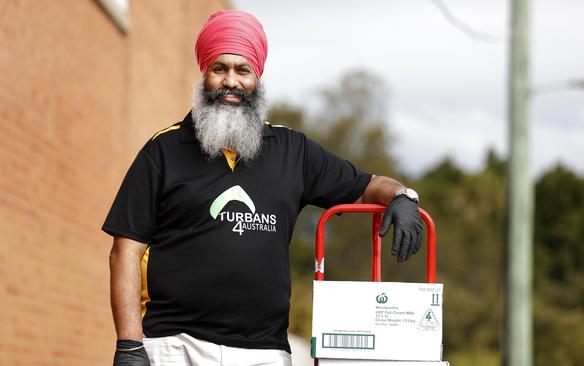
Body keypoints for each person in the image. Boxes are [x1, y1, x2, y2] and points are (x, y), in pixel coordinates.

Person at [104, 10, 423, 366]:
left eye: (243, 70)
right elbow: (125, 252)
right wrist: (129, 345)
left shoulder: (293, 151)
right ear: (204, 74)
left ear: (257, 77)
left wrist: (402, 196)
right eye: (219, 68)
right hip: (174, 347)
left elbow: (367, 185)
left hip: (264, 353)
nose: (231, 81)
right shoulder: (162, 151)